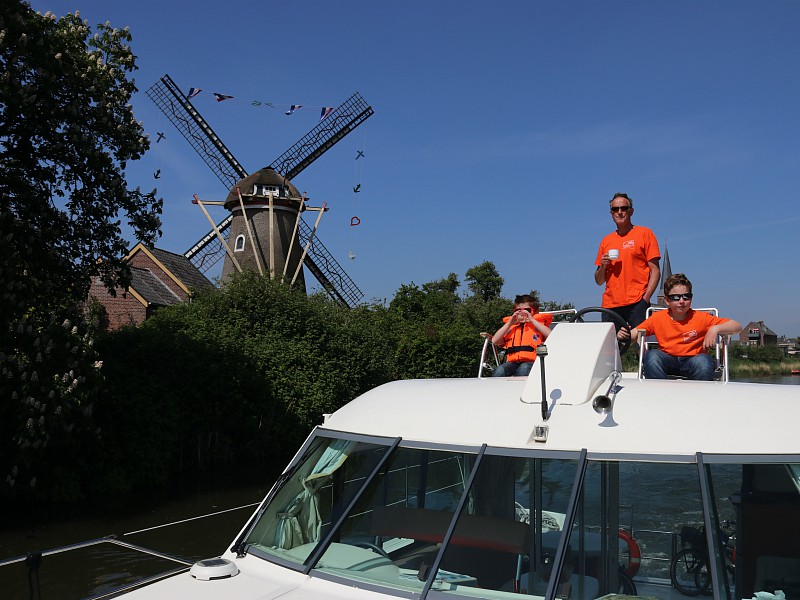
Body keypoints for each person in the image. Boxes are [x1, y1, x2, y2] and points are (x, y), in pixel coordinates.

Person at [619, 273, 742, 380]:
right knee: (652, 356)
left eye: (686, 296)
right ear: (667, 301)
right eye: (675, 297)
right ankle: (658, 396)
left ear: (691, 298)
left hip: (693, 361)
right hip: (668, 361)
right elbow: (633, 335)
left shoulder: (702, 318)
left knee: (703, 361)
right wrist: (624, 336)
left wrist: (715, 328)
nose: (681, 301)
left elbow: (737, 326)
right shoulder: (658, 318)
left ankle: (702, 398)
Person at [594, 193, 660, 329]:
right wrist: (603, 266)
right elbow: (599, 280)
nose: (619, 212)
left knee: (641, 346)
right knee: (611, 348)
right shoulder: (606, 240)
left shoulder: (645, 233)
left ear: (631, 211)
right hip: (610, 305)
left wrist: (645, 299)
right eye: (615, 209)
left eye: (624, 208)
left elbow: (655, 270)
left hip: (637, 302)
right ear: (611, 213)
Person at [492, 294, 552, 377]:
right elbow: (495, 341)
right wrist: (509, 323)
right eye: (518, 311)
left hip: (532, 362)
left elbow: (551, 336)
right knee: (499, 370)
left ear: (534, 312)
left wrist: (532, 321)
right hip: (512, 363)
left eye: (527, 310)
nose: (522, 313)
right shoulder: (511, 327)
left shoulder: (539, 326)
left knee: (524, 368)